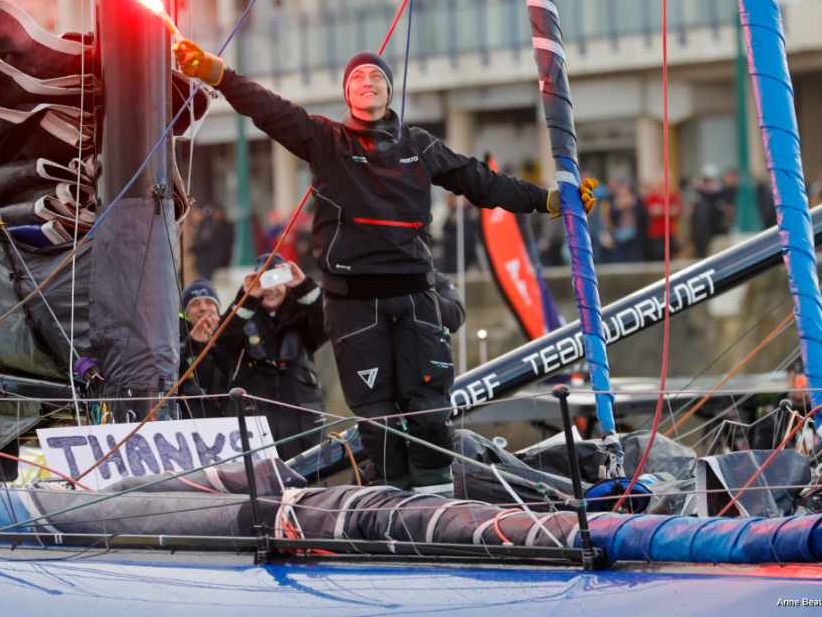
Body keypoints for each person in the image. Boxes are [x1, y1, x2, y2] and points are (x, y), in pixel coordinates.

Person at [174, 39, 597, 490]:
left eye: (376, 76)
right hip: (354, 299)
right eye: (358, 78)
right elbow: (270, 110)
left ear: (389, 91)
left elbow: (481, 182)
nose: (368, 82)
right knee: (378, 420)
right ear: (347, 95)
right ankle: (393, 501)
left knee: (429, 409)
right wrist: (220, 75)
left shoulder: (419, 146)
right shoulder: (325, 140)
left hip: (413, 291)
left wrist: (548, 200)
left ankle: (436, 498)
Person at [219, 254, 327, 460]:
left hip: (301, 422)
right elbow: (221, 342)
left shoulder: (304, 316)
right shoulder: (243, 316)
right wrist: (247, 297)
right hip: (256, 426)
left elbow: (327, 323)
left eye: (276, 280)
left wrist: (304, 285)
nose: (270, 288)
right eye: (264, 280)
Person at [178, 279, 230, 419]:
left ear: (218, 309)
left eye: (209, 302)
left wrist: (216, 343)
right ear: (185, 313)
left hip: (227, 417)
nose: (203, 308)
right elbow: (174, 376)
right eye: (194, 304)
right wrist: (193, 343)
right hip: (190, 419)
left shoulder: (231, 335)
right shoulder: (175, 338)